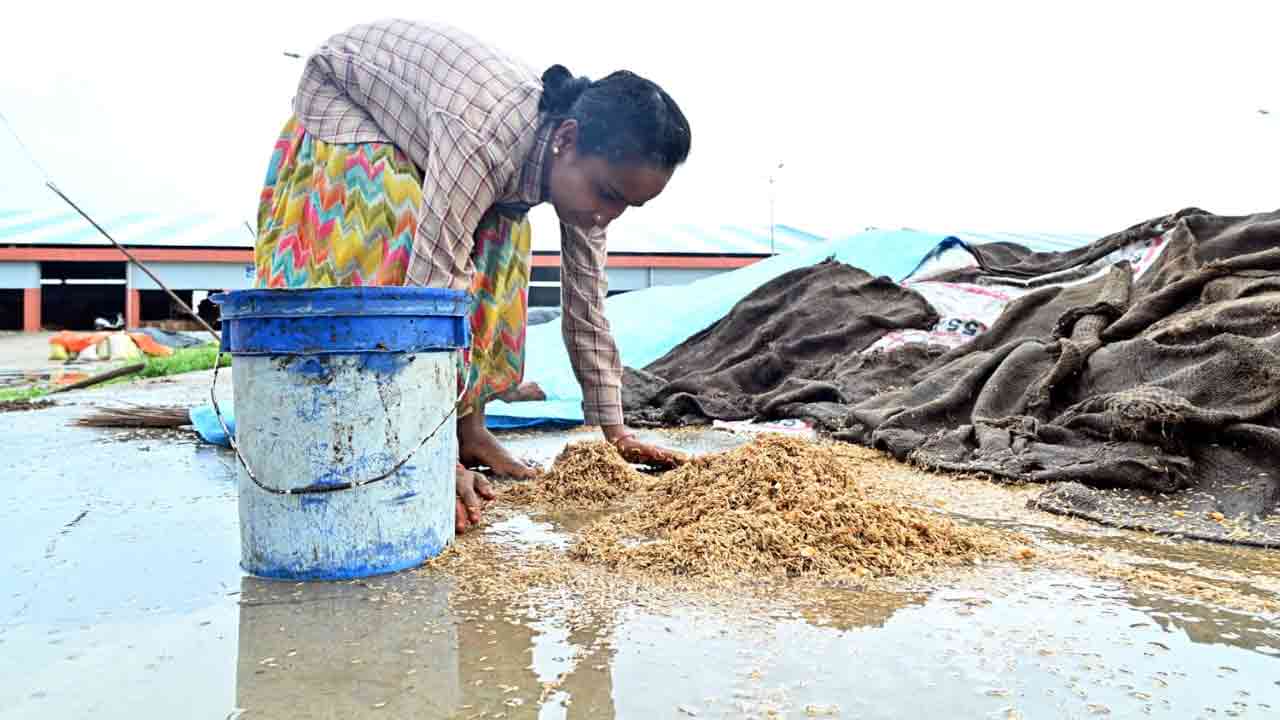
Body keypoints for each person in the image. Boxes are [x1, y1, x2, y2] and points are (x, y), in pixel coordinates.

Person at [254, 19, 691, 532]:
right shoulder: (482, 136)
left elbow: (586, 307)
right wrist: (431, 459)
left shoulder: (586, 182)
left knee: (506, 241)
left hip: (442, 127)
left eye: (627, 206)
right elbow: (430, 292)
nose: (607, 215)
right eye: (609, 195)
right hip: (348, 98)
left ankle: (470, 426)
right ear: (566, 139)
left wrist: (614, 431)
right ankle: (417, 437)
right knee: (399, 220)